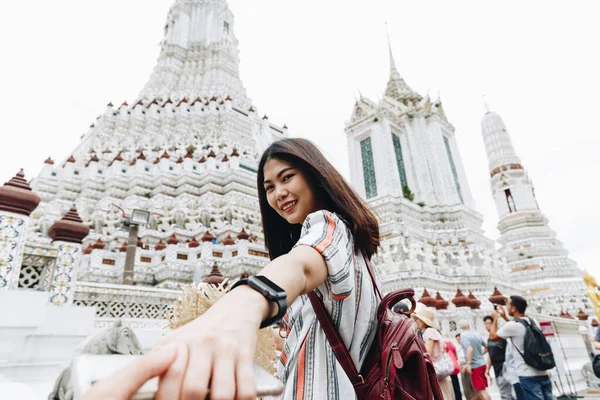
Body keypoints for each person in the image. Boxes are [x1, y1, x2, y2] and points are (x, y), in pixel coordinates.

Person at [83, 138, 381, 399]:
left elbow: (299, 267)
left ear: (316, 177)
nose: (279, 193)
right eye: (269, 187)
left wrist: (242, 308)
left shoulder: (329, 227)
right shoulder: (347, 251)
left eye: (287, 178)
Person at [489, 296, 553, 400]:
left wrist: (495, 318)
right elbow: (517, 327)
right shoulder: (533, 322)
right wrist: (505, 317)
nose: (507, 307)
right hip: (542, 370)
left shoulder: (512, 326)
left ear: (514, 308)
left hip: (527, 374)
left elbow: (493, 337)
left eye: (508, 305)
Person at [413, 308, 455, 400]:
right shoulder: (432, 331)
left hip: (436, 370)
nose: (416, 321)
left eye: (418, 319)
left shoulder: (429, 332)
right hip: (440, 372)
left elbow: (427, 352)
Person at [459, 320, 491, 400]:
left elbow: (470, 349)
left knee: (481, 391)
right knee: (480, 390)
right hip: (482, 363)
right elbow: (487, 347)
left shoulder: (464, 335)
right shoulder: (476, 334)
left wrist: (469, 363)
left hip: (475, 366)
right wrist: (480, 354)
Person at [483, 315, 513, 400]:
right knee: (505, 393)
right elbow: (490, 354)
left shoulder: (501, 337)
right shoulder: (489, 339)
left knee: (505, 394)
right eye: (485, 324)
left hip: (504, 368)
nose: (487, 326)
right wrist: (487, 368)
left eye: (489, 323)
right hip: (496, 369)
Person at [456, 333, 477, 400]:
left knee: (473, 388)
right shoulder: (459, 349)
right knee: (466, 389)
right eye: (457, 339)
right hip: (462, 369)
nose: (459, 341)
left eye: (460, 339)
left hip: (469, 368)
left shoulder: (468, 348)